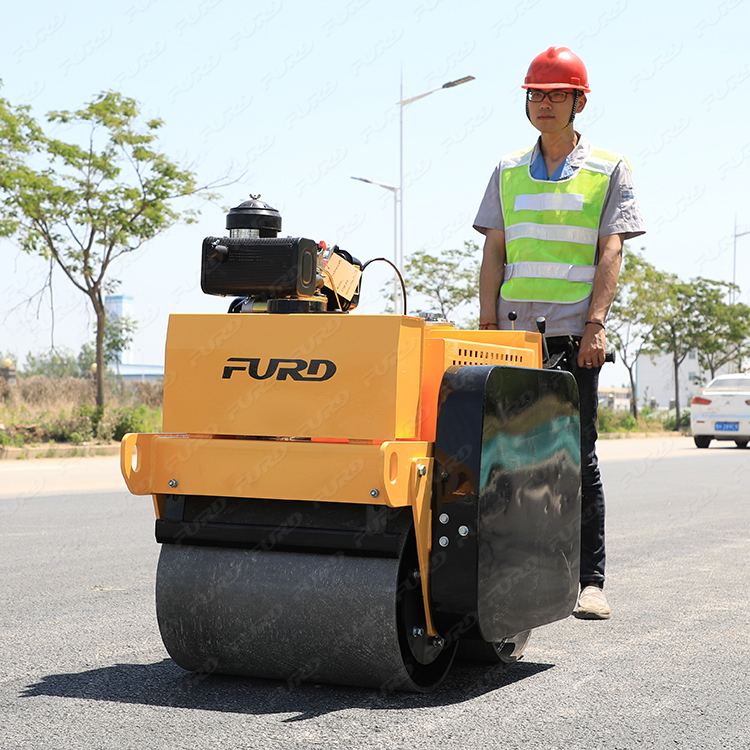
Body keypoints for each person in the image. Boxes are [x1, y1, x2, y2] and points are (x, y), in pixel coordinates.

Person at [474, 46, 646, 619]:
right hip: (515, 338)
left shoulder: (608, 169)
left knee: (578, 453)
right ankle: (516, 571)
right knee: (509, 454)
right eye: (536, 94)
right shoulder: (506, 171)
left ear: (578, 101)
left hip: (575, 335)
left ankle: (590, 579)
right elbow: (493, 253)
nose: (544, 103)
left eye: (556, 94)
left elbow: (611, 252)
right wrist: (487, 326)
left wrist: (596, 325)